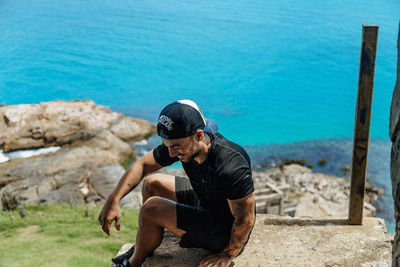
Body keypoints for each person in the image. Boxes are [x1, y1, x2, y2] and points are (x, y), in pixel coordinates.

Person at [98, 100, 255, 267]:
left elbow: (245, 219)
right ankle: (146, 241)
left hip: (222, 230)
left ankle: (133, 263)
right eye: (168, 146)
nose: (172, 153)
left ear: (199, 135)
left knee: (151, 209)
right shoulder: (184, 144)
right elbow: (142, 165)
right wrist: (113, 200)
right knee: (152, 183)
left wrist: (227, 254)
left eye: (177, 146)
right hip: (205, 201)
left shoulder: (230, 167)